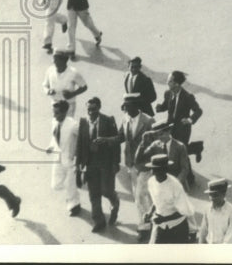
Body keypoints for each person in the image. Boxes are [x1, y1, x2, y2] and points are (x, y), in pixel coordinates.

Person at [76, 96, 121, 233]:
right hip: (90, 164)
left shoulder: (108, 121)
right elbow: (80, 144)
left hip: (105, 163)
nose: (90, 112)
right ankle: (99, 221)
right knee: (93, 194)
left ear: (99, 108)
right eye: (88, 109)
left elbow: (116, 143)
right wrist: (78, 165)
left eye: (93, 109)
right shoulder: (83, 122)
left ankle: (114, 200)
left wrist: (116, 162)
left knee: (106, 191)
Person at [117, 93, 155, 241]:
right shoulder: (125, 118)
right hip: (131, 163)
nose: (126, 109)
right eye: (125, 107)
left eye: (128, 107)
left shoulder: (148, 121)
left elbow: (157, 141)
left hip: (146, 165)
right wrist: (106, 141)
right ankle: (152, 221)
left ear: (137, 106)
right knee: (144, 195)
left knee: (140, 196)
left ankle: (144, 227)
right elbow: (121, 137)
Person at [145, 154, 197, 244]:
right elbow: (156, 201)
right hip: (161, 226)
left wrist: (164, 219)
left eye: (160, 169)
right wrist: (149, 213)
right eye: (154, 169)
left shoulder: (175, 185)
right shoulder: (151, 182)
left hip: (177, 227)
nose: (156, 172)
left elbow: (184, 212)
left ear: (166, 170)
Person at [46, 99, 82, 217]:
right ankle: (71, 196)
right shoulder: (54, 122)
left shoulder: (73, 124)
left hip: (70, 159)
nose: (54, 115)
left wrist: (77, 155)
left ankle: (74, 205)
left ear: (64, 112)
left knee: (70, 184)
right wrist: (51, 147)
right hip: (58, 157)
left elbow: (83, 137)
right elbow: (54, 137)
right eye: (53, 112)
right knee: (56, 184)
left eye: (56, 113)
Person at [136, 121, 192, 192]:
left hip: (178, 186)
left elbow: (185, 169)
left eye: (161, 134)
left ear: (168, 131)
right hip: (161, 187)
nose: (159, 137)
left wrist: (175, 184)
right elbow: (139, 160)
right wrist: (143, 142)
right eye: (156, 135)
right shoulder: (155, 145)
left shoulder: (180, 146)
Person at [155, 71, 203, 150]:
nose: (167, 82)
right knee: (164, 147)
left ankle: (197, 147)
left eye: (170, 81)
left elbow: (198, 111)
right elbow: (166, 106)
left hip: (182, 129)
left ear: (176, 84)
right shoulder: (168, 93)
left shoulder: (187, 97)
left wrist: (189, 120)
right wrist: (160, 108)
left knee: (179, 151)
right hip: (170, 126)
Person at [42, 50, 88, 115]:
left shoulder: (73, 72)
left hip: (69, 104)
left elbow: (84, 87)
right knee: (56, 124)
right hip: (55, 104)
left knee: (68, 124)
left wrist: (72, 94)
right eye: (54, 60)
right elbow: (45, 85)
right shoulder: (50, 70)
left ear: (64, 61)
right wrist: (48, 91)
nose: (54, 62)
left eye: (56, 60)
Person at [198, 179, 232, 244]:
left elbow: (230, 238)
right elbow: (203, 230)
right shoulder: (207, 209)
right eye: (210, 195)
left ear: (223, 194)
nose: (212, 198)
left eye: (215, 195)